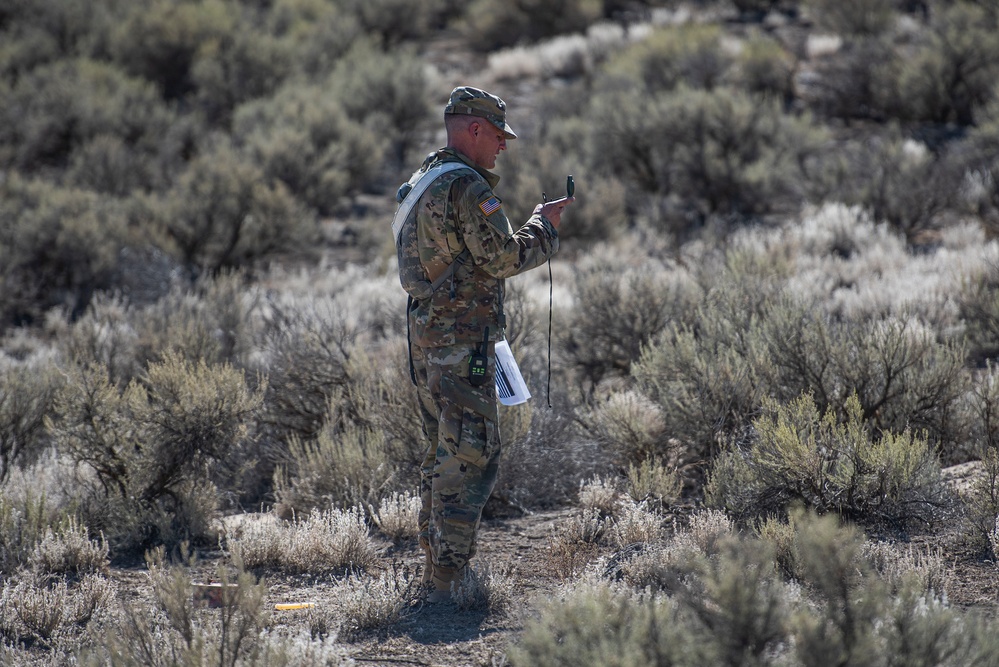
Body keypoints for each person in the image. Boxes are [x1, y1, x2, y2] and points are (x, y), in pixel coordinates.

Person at [400, 86, 573, 603]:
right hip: (463, 345)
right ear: (474, 129)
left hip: (428, 342)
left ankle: (436, 568)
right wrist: (544, 226)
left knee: (439, 454)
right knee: (470, 458)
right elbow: (501, 259)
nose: (502, 146)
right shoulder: (469, 188)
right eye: (498, 135)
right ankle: (449, 582)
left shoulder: (422, 180)